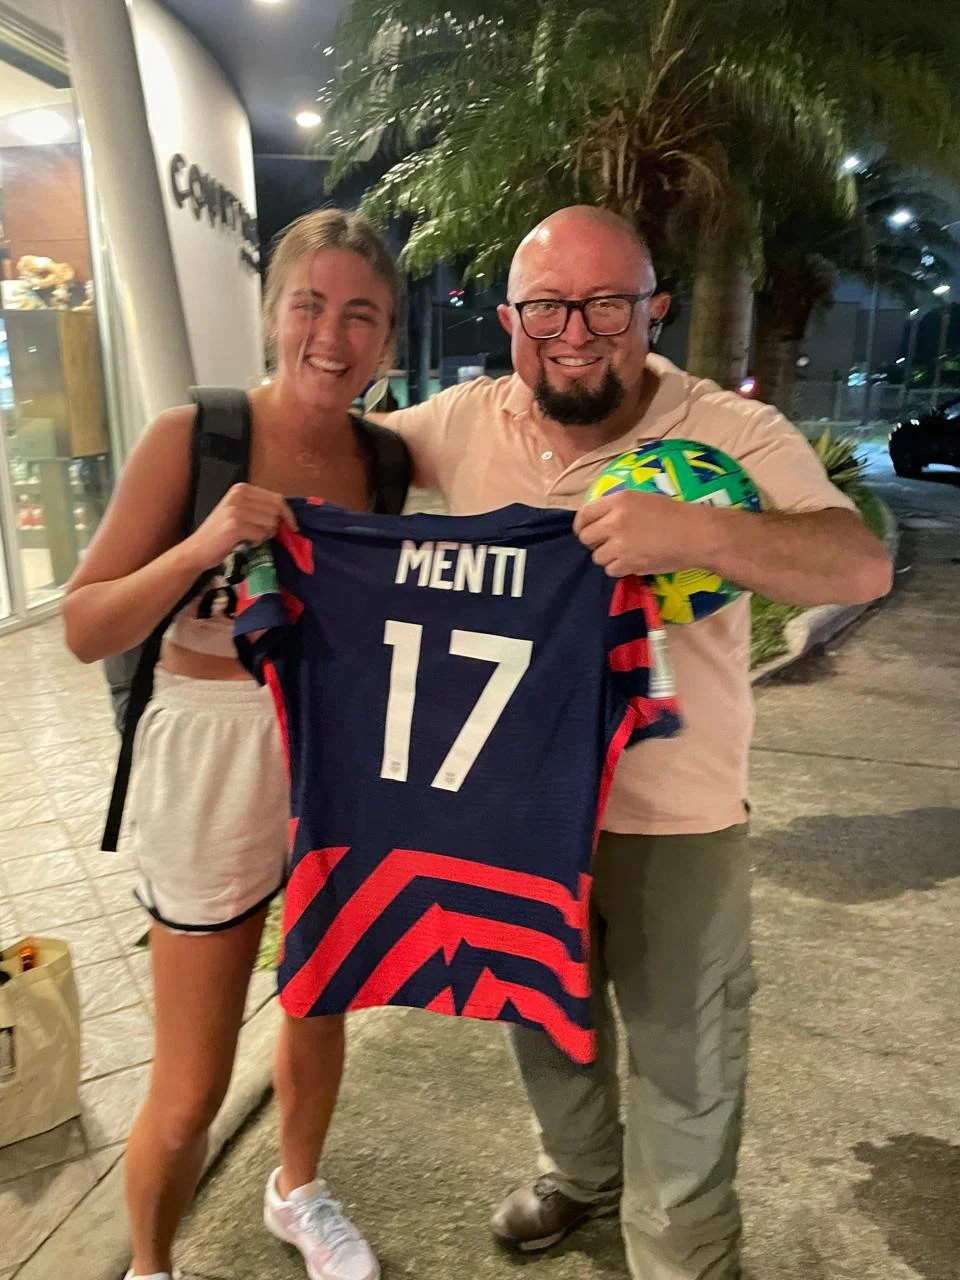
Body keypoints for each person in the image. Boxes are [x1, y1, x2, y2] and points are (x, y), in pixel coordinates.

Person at [370, 205, 892, 1280]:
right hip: (517, 812)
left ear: (653, 307)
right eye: (549, 305)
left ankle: (686, 1258)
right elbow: (339, 455)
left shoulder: (729, 432)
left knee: (687, 1057)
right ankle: (582, 1177)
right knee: (541, 1019)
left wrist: (699, 531)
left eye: (607, 302)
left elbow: (855, 565)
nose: (577, 329)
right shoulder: (465, 421)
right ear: (512, 316)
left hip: (677, 816)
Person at [62, 209, 406, 1280]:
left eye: (362, 314)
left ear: (388, 340)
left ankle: (294, 1187)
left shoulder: (385, 461)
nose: (332, 334)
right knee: (192, 1081)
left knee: (317, 1000)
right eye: (311, 304)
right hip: (208, 750)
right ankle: (150, 1264)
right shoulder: (196, 434)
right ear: (271, 316)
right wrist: (208, 540)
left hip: (329, 752)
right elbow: (85, 623)